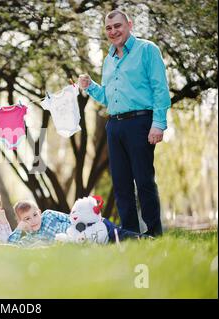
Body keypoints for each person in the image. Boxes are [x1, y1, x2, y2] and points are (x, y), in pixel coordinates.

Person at [78, 9, 171, 237]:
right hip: (115, 126)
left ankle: (153, 233)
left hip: (140, 123)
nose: (113, 31)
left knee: (144, 181)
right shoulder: (108, 59)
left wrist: (158, 123)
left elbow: (160, 89)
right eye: (109, 28)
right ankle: (129, 234)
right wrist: (90, 85)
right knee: (120, 185)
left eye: (117, 26)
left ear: (129, 24)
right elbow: (107, 97)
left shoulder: (147, 50)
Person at [7, 200, 71, 246]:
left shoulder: (49, 215)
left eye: (35, 215)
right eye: (27, 219)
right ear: (21, 223)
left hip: (76, 235)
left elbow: (70, 218)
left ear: (39, 213)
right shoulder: (29, 240)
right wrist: (19, 229)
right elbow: (11, 247)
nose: (33, 220)